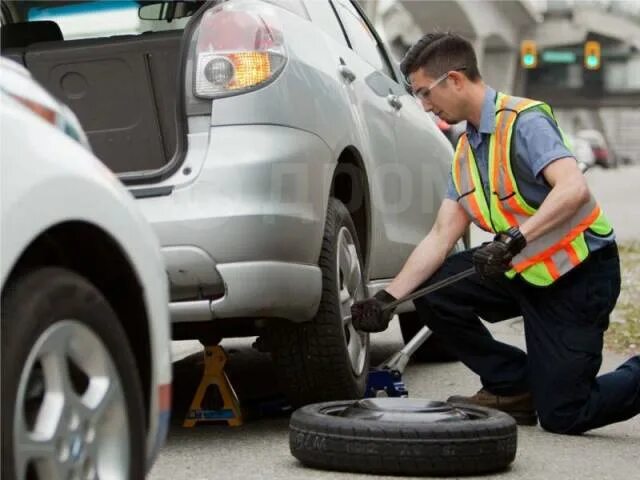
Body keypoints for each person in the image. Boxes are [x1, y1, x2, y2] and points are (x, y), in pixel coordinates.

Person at [351, 32, 639, 434]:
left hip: (578, 276)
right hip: (523, 268)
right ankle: (511, 385)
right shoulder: (467, 149)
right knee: (434, 290)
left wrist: (513, 239)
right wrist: (388, 298)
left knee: (566, 413)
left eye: (424, 92)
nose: (424, 105)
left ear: (454, 78)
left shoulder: (525, 121)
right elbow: (440, 236)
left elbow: (573, 188)